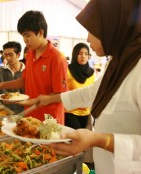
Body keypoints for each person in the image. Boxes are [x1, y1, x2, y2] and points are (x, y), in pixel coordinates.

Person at [36, 0, 141, 173]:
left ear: (114, 25)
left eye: (92, 29)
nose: (87, 38)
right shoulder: (120, 63)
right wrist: (49, 99)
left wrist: (99, 140)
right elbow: (91, 92)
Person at [0, 10, 68, 124]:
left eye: (27, 35)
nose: (25, 40)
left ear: (40, 32)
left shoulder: (57, 58)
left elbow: (60, 94)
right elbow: (25, 81)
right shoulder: (30, 54)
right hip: (30, 116)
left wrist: (29, 102)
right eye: (23, 36)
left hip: (49, 119)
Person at [65, 43, 95, 129]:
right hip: (70, 112)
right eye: (80, 53)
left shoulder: (91, 73)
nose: (83, 56)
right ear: (75, 55)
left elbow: (92, 93)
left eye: (86, 54)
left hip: (86, 112)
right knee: (76, 137)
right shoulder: (67, 71)